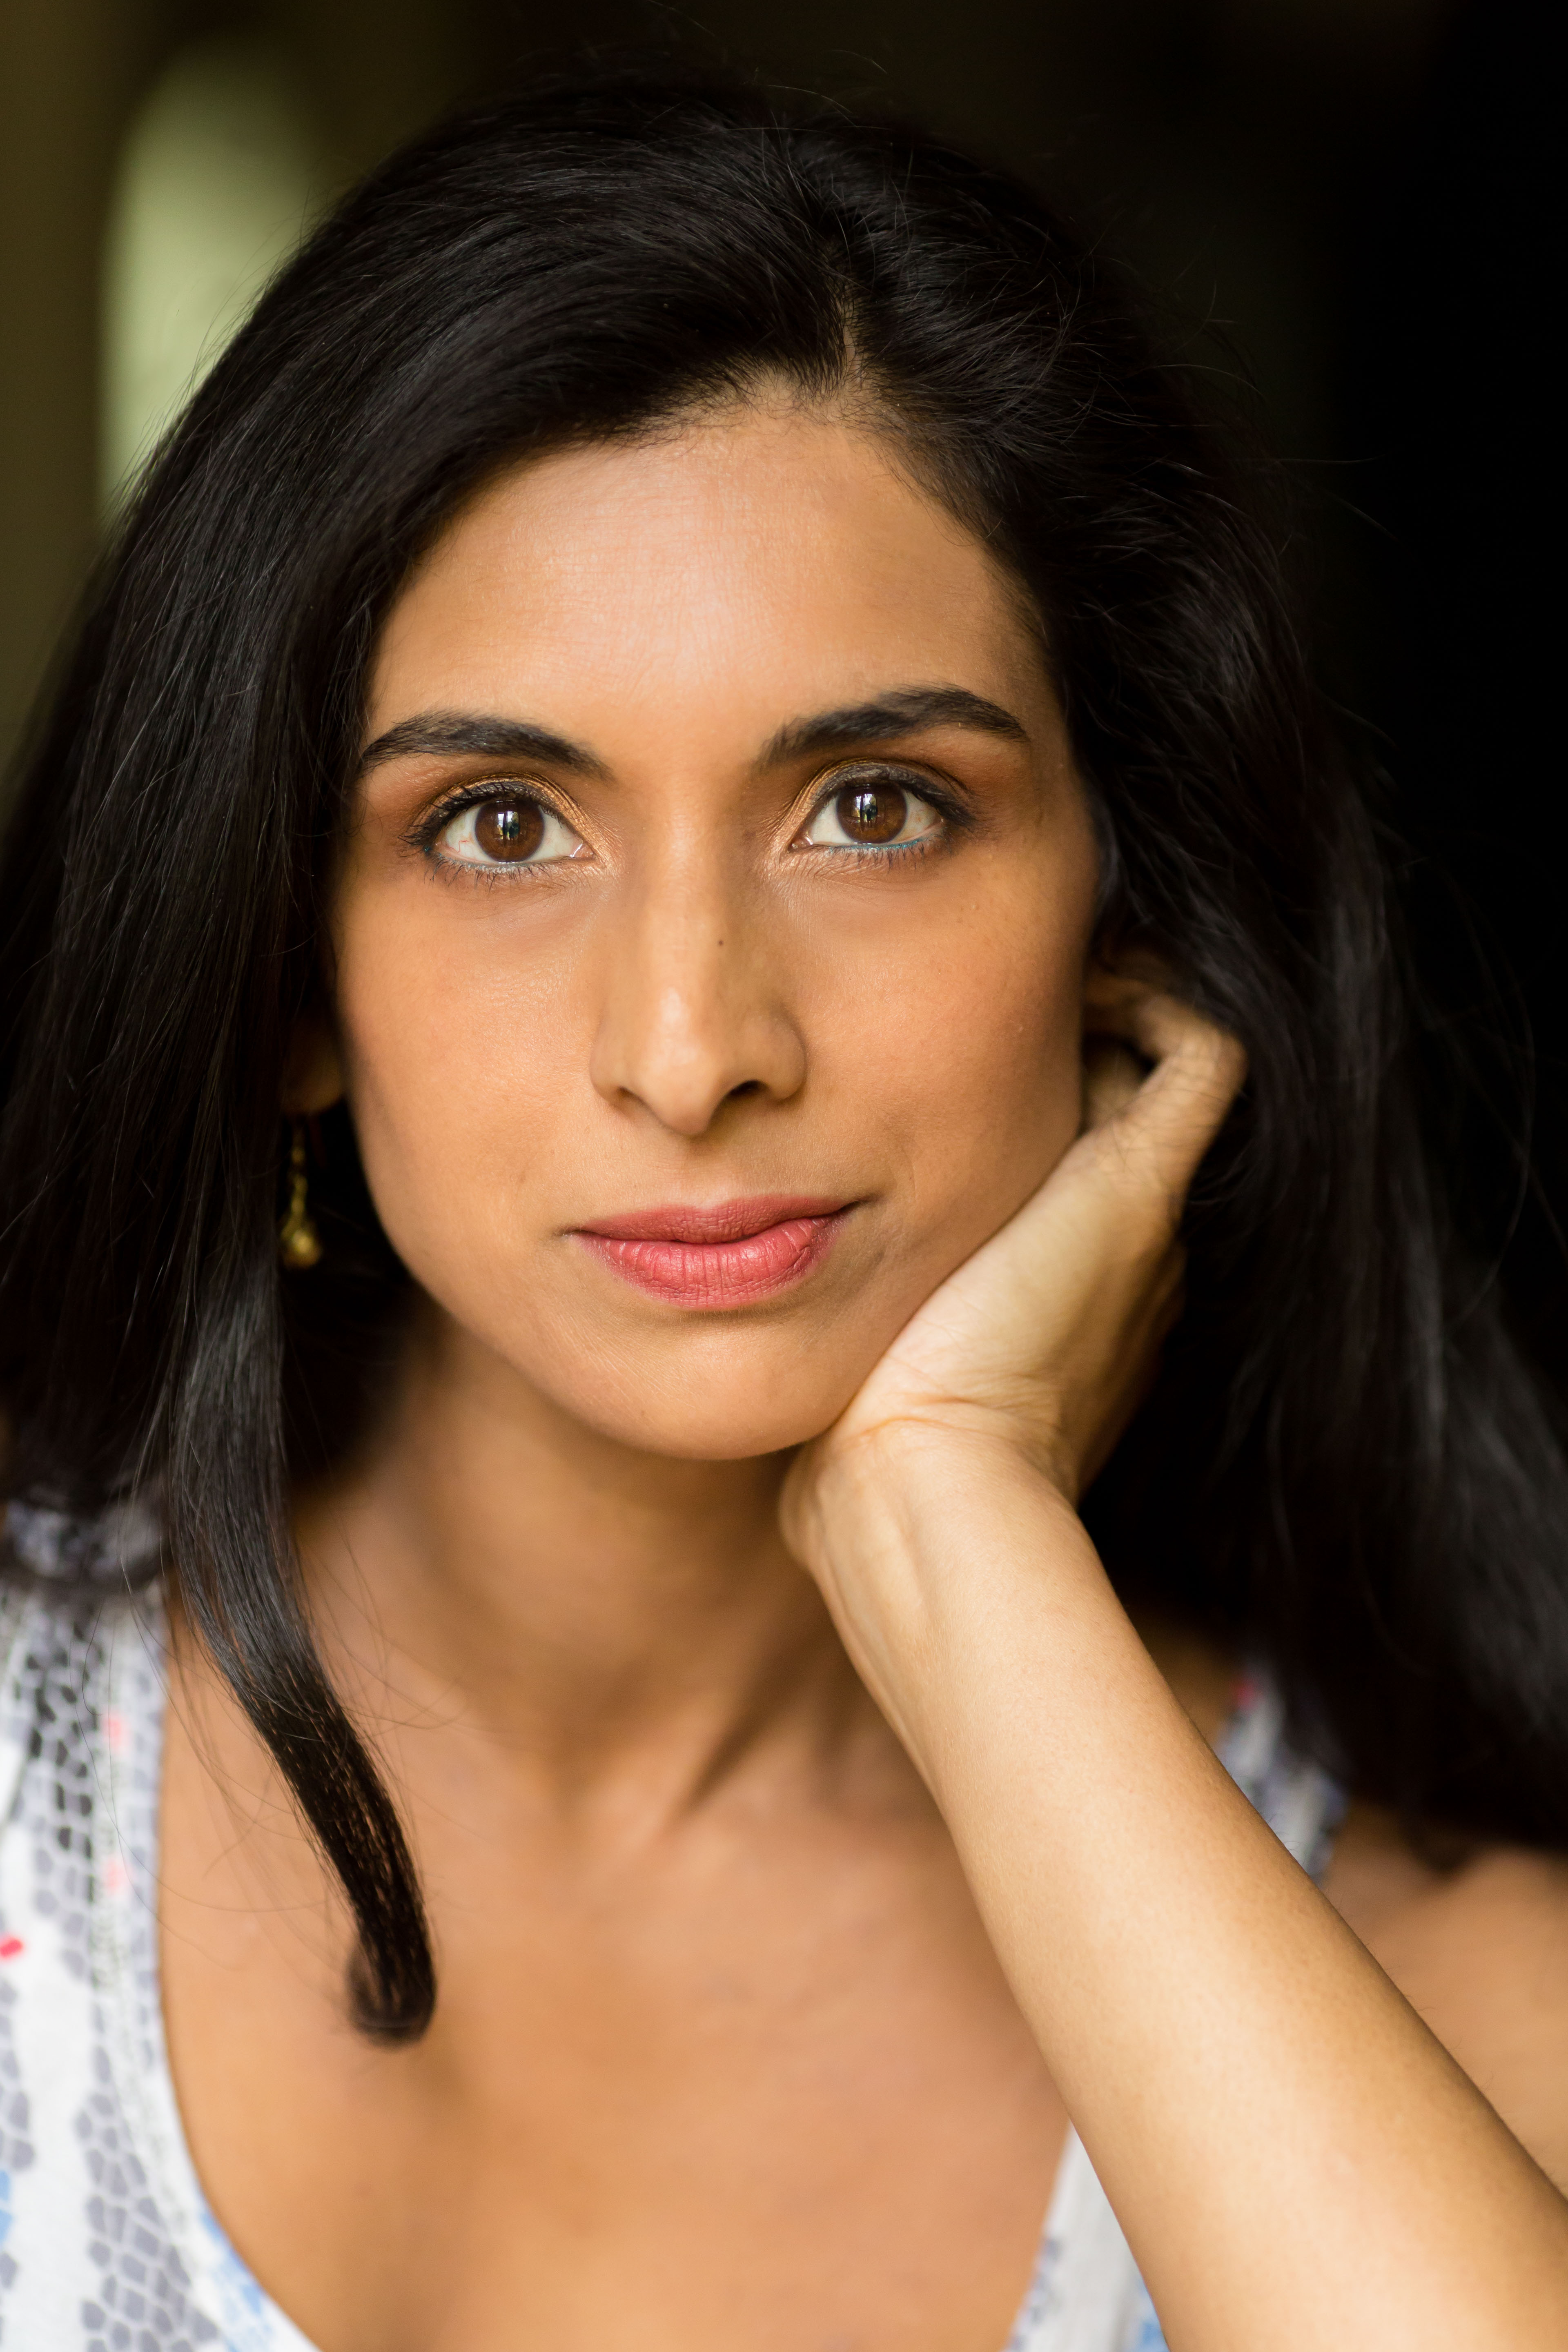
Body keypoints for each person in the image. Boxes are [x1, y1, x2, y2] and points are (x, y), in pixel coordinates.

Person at [1, 61, 1565, 2352]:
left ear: (1130, 914)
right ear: (281, 980)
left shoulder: (1448, 2002)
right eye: (501, 829)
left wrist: (959, 1548)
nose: (695, 1042)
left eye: (874, 808)